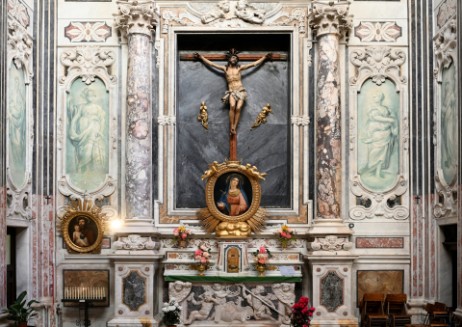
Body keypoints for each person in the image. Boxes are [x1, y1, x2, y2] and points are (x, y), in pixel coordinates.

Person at [194, 49, 272, 134]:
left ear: (237, 60)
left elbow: (253, 64)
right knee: (232, 106)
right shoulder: (225, 69)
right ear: (229, 59)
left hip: (241, 91)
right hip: (232, 91)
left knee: (238, 108)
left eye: (235, 58)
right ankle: (232, 126)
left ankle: (234, 126)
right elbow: (211, 64)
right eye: (232, 57)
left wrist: (264, 57)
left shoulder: (239, 68)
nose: (234, 59)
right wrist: (201, 57)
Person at [68, 88, 107, 173]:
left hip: (93, 128)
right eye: (88, 96)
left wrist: (100, 130)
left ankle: (85, 167)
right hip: (82, 130)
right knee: (83, 148)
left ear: (94, 97)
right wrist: (72, 127)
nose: (90, 98)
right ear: (85, 97)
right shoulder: (82, 107)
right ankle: (83, 168)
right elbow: (76, 117)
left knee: (91, 147)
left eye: (92, 96)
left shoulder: (97, 108)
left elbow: (102, 120)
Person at [361, 91, 397, 178]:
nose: (374, 98)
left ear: (380, 98)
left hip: (385, 133)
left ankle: (378, 172)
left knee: (383, 154)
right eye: (374, 97)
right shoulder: (372, 108)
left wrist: (391, 121)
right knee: (374, 152)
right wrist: (390, 120)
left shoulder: (385, 108)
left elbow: (391, 117)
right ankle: (370, 169)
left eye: (376, 96)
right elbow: (376, 117)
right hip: (376, 133)